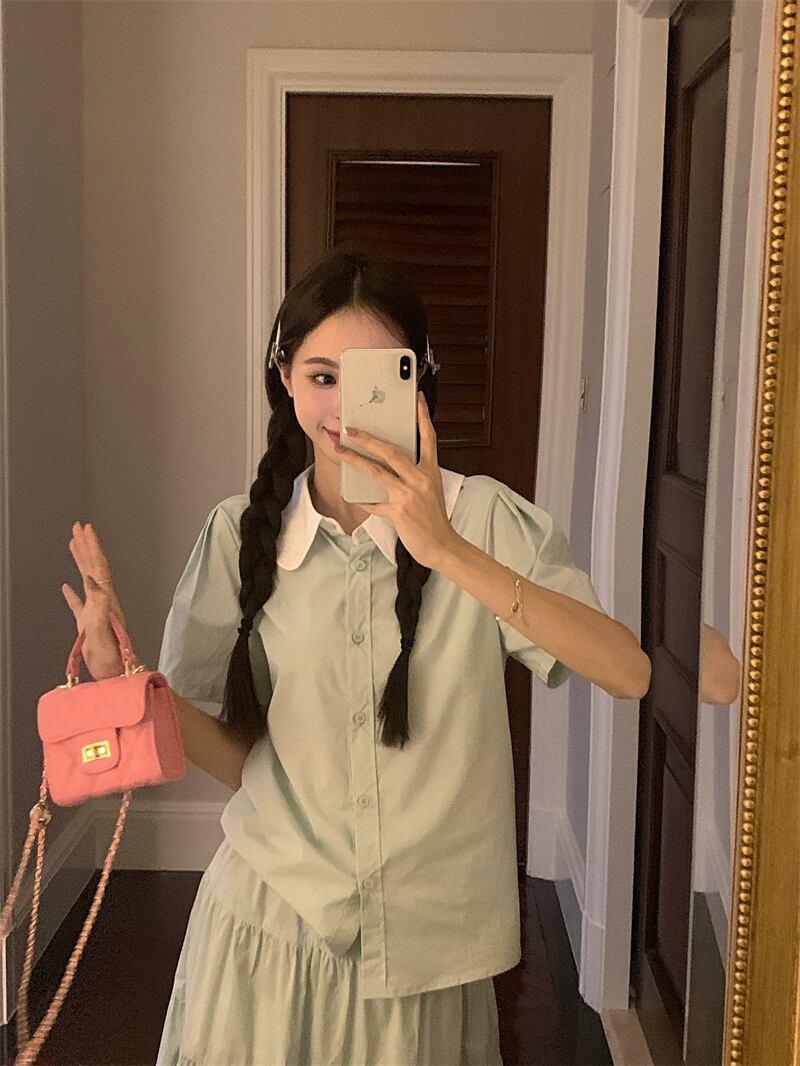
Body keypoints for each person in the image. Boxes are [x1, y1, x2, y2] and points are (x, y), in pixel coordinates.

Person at [64, 244, 650, 1065]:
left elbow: (628, 670)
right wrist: (121, 680)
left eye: (373, 376)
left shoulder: (484, 520)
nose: (343, 407)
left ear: (418, 379)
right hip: (266, 937)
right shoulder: (239, 536)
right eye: (321, 376)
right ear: (285, 378)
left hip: (426, 962)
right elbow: (241, 760)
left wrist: (445, 549)